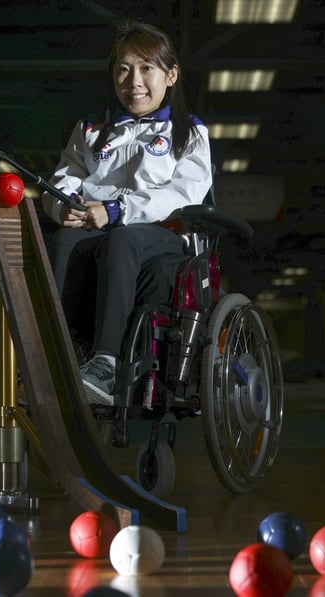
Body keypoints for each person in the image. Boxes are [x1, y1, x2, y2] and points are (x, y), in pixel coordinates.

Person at [44, 20, 213, 405]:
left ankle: (105, 364)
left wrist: (118, 210)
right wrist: (62, 205)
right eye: (123, 69)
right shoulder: (90, 129)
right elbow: (65, 177)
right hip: (96, 230)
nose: (133, 81)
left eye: (146, 68)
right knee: (65, 238)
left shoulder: (189, 132)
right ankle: (60, 352)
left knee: (122, 237)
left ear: (171, 75)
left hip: (161, 238)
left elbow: (184, 193)